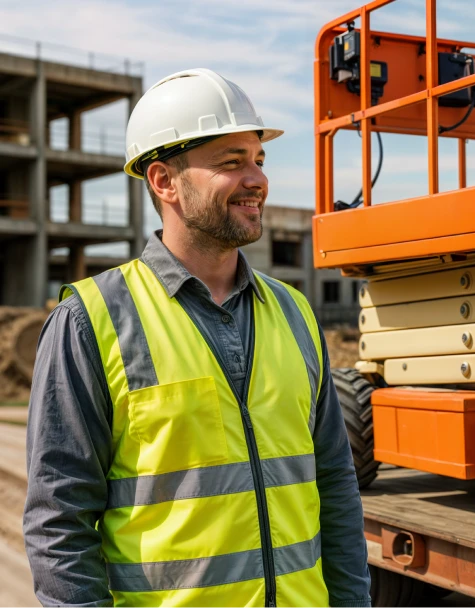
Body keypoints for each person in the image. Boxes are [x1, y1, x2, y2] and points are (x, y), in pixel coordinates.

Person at [23, 68, 372, 608]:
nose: (256, 178)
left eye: (258, 160)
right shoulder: (90, 320)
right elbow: (59, 521)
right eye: (231, 163)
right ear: (164, 181)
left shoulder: (295, 313)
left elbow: (335, 486)